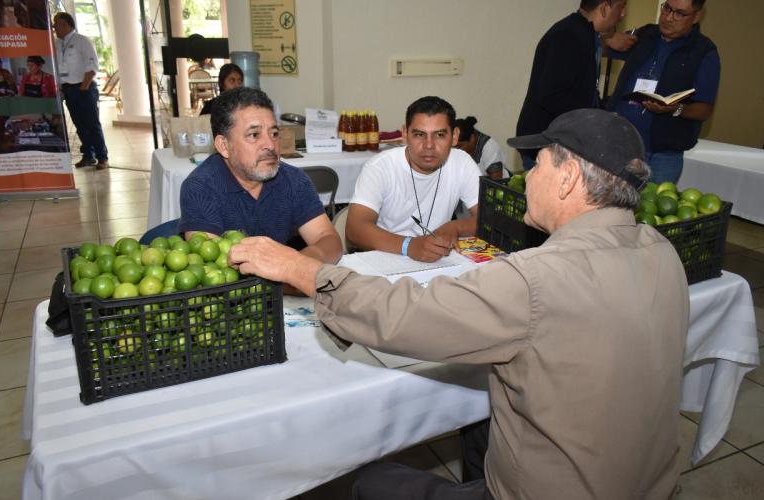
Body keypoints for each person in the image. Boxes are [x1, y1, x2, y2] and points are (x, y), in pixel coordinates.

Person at [228, 109, 689, 499]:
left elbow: (399, 314)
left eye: (538, 164)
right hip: (648, 483)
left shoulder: (534, 280)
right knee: (485, 419)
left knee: (370, 483)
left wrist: (299, 269)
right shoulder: (662, 250)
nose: (525, 176)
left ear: (567, 179)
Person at [179, 86, 342, 267]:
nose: (270, 145)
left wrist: (294, 266)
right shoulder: (200, 187)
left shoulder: (294, 180)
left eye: (274, 134)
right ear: (224, 146)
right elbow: (212, 269)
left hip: (283, 287)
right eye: (254, 135)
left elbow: (329, 240)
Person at [346, 96, 480, 263]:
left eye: (439, 135)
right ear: (405, 134)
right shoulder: (379, 167)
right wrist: (409, 246)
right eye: (419, 134)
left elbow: (491, 219)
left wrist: (456, 227)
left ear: (454, 136)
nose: (428, 145)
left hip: (438, 259)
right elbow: (355, 229)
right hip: (386, 256)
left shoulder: (462, 162)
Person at [606, 0, 719, 184]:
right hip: (620, 144)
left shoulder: (703, 51)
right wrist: (609, 39)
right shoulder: (645, 35)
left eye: (679, 13)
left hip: (661, 156)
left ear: (697, 16)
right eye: (666, 8)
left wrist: (674, 109)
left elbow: (704, 109)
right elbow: (604, 49)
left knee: (651, 209)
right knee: (609, 205)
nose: (668, 17)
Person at [515, 0, 635, 170]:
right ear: (605, 8)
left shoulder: (586, 33)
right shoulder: (568, 35)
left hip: (559, 144)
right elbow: (551, 94)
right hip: (546, 145)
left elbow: (582, 90)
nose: (623, 14)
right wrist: (593, 119)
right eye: (621, 7)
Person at [52, 12, 109, 170]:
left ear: (66, 24)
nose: (54, 27)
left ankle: (102, 157)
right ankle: (88, 156)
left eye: (56, 24)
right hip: (69, 90)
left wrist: (84, 87)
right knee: (79, 125)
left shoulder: (82, 41)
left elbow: (92, 67)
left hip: (84, 88)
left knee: (92, 124)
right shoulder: (57, 44)